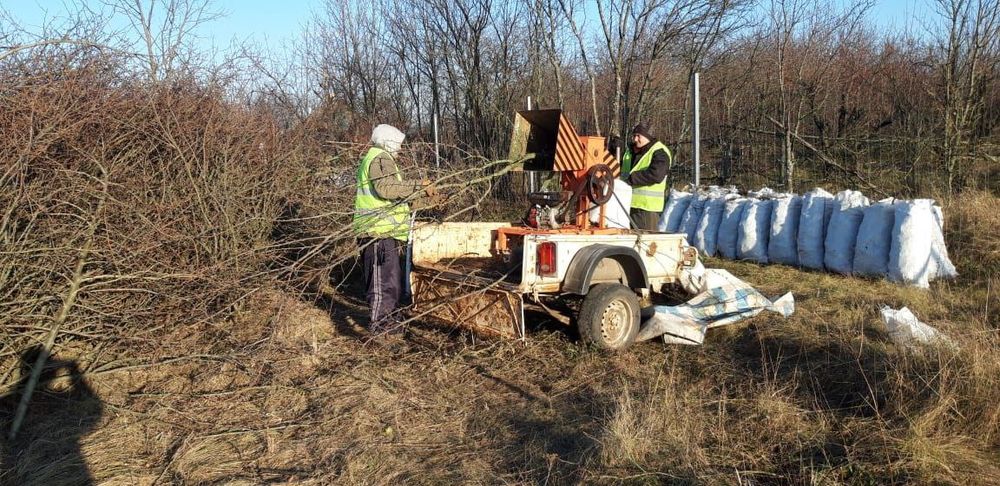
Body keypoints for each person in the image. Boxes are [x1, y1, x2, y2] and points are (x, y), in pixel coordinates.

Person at [354, 124, 439, 336]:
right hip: (377, 233)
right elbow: (387, 189)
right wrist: (420, 186)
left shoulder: (382, 159)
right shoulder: (379, 158)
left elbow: (396, 201)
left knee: (390, 282)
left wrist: (426, 201)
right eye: (398, 144)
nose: (400, 149)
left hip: (384, 234)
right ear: (388, 141)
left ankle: (390, 322)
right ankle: (381, 329)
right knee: (382, 284)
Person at [620, 123, 672, 231]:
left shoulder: (659, 152)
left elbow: (656, 175)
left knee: (647, 242)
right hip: (628, 204)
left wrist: (630, 179)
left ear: (648, 136)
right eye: (634, 135)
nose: (635, 139)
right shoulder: (629, 152)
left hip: (647, 208)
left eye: (639, 136)